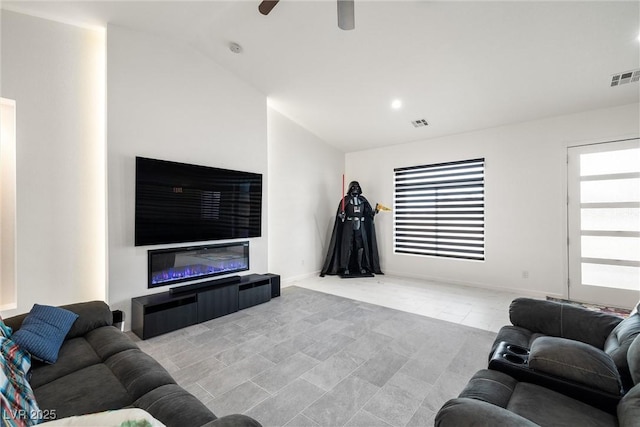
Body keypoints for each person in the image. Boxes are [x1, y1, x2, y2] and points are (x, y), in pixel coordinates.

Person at [320, 180, 383, 277]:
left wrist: (375, 211)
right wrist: (341, 215)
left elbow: (369, 213)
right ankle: (345, 267)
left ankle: (360, 266)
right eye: (353, 187)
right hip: (348, 226)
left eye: (357, 187)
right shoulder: (345, 200)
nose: (355, 189)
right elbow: (340, 215)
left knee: (360, 246)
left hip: (360, 226)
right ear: (350, 188)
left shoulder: (363, 200)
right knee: (347, 246)